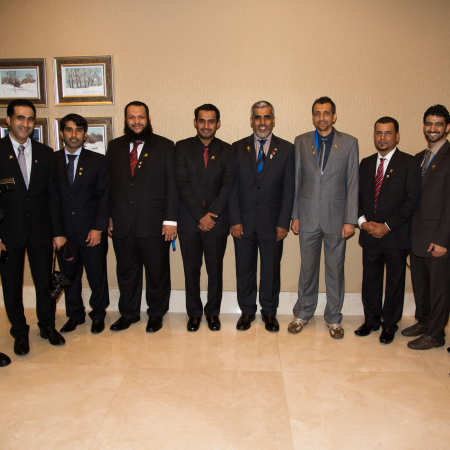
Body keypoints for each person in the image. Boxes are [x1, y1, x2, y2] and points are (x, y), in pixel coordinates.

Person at [0, 99, 67, 356]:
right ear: (9, 120)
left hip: (41, 232)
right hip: (8, 234)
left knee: (45, 284)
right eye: (20, 118)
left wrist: (58, 232)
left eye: (29, 119)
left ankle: (47, 326)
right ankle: (19, 332)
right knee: (12, 286)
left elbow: (53, 196)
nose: (25, 124)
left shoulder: (45, 153)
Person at [289, 97, 359, 338]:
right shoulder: (301, 141)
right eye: (317, 113)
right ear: (313, 117)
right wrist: (295, 214)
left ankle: (334, 318)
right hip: (307, 216)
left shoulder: (349, 143)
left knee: (335, 270)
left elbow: (352, 183)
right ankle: (303, 313)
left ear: (334, 116)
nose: (322, 117)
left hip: (337, 219)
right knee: (307, 269)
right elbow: (297, 180)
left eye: (326, 113)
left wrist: (350, 220)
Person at [106, 101, 178, 333]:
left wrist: (170, 220)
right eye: (131, 117)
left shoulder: (165, 145)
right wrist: (108, 216)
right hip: (121, 223)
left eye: (141, 117)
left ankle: (156, 313)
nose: (136, 121)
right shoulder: (114, 146)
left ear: (148, 119)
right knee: (126, 273)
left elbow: (172, 185)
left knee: (157, 273)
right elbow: (108, 185)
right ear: (125, 120)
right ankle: (129, 314)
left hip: (154, 224)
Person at [229, 101, 294, 332]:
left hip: (273, 223)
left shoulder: (287, 149)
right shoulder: (237, 148)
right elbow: (231, 187)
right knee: (244, 269)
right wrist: (234, 220)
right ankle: (247, 311)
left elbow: (289, 188)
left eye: (267, 117)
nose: (262, 122)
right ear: (251, 121)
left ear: (273, 120)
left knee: (271, 270)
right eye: (258, 117)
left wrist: (283, 222)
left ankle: (269, 312)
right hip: (243, 223)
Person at [356, 117, 421, 344]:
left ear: (397, 136)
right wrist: (362, 222)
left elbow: (411, 201)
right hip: (369, 234)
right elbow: (357, 196)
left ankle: (389, 325)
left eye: (388, 133)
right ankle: (371, 320)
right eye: (379, 133)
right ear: (374, 136)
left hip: (396, 235)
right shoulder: (365, 163)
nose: (382, 137)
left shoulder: (409, 163)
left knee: (394, 282)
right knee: (370, 280)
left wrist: (387, 226)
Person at [175, 104, 235, 332]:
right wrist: (200, 216)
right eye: (202, 121)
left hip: (216, 223)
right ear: (195, 122)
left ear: (218, 123)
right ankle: (193, 313)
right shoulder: (182, 148)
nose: (206, 125)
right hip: (189, 222)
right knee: (191, 270)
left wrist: (211, 216)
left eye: (211, 121)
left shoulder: (228, 150)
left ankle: (212, 313)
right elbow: (182, 185)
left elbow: (227, 185)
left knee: (214, 271)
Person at [54, 114, 110, 334]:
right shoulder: (52, 161)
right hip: (64, 233)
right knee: (69, 277)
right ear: (62, 133)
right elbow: (50, 199)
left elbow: (104, 197)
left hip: (91, 231)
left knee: (97, 275)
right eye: (69, 130)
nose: (74, 135)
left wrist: (98, 228)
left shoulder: (98, 161)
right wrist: (56, 232)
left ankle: (98, 314)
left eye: (78, 130)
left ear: (85, 135)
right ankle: (75, 315)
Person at [403, 105, 450, 350]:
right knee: (421, 285)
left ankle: (436, 334)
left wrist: (443, 239)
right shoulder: (419, 157)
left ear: (447, 127)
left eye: (438, 124)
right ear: (423, 126)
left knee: (439, 289)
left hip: (438, 238)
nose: (433, 128)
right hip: (417, 235)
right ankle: (423, 322)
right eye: (429, 123)